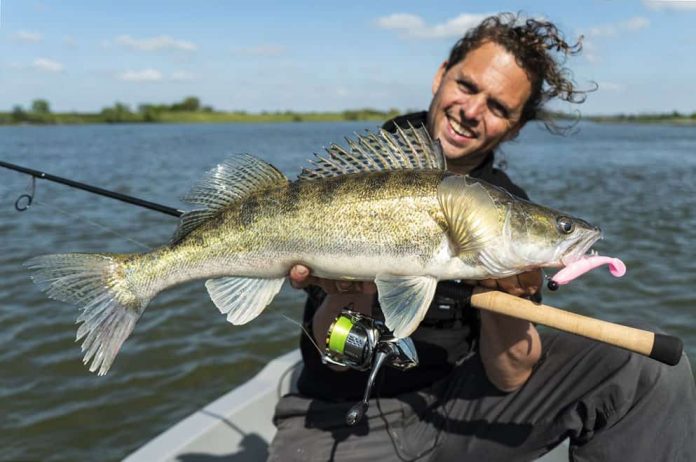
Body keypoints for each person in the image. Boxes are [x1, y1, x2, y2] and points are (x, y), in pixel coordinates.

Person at [268, 13, 696, 461]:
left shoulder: (510, 204)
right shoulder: (368, 175)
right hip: (340, 412)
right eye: (468, 86)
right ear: (440, 75)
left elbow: (509, 376)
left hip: (460, 402)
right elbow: (332, 353)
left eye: (498, 107)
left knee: (651, 373)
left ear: (514, 127)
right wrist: (345, 292)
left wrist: (510, 298)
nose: (471, 112)